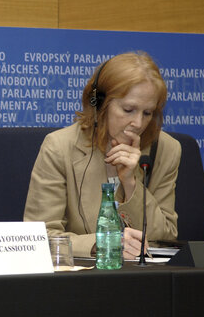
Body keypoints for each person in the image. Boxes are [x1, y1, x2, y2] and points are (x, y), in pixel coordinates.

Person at [24, 51, 180, 259]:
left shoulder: (166, 149)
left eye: (147, 113)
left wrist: (131, 183)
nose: (138, 123)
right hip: (79, 279)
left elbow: (165, 236)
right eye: (128, 109)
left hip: (144, 279)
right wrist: (102, 243)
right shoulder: (59, 147)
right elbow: (39, 237)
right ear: (99, 104)